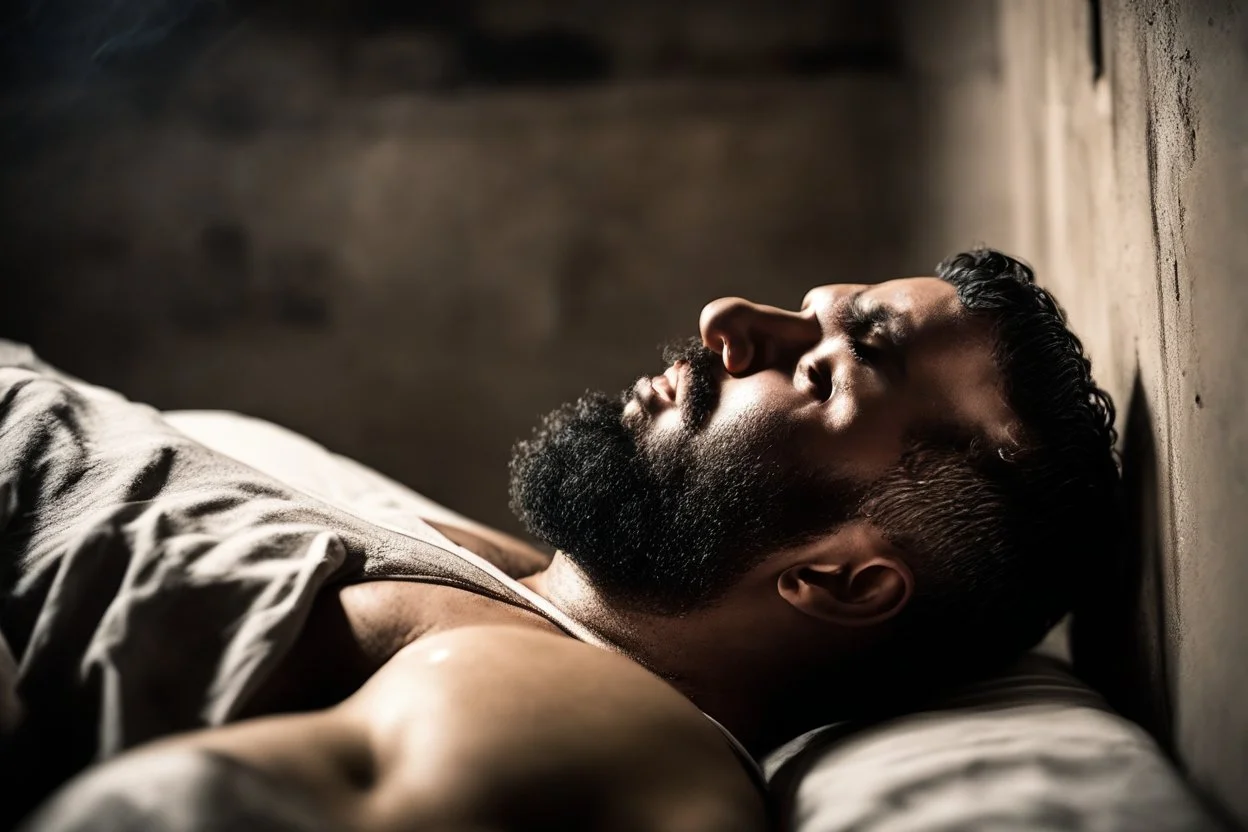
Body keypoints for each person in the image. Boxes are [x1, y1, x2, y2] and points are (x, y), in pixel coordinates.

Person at [4, 248, 1120, 830]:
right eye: (802, 313)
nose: (729, 322)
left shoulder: (581, 710)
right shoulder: (536, 596)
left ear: (837, 576)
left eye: (828, 366)